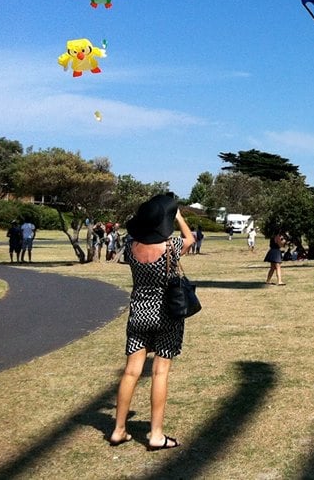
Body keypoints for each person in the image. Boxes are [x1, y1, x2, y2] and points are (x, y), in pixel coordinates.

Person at [111, 193, 194, 450]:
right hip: (166, 314)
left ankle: (118, 429)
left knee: (131, 371)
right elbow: (190, 239)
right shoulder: (170, 248)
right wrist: (178, 218)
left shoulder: (130, 247)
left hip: (138, 312)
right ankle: (156, 434)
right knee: (160, 372)